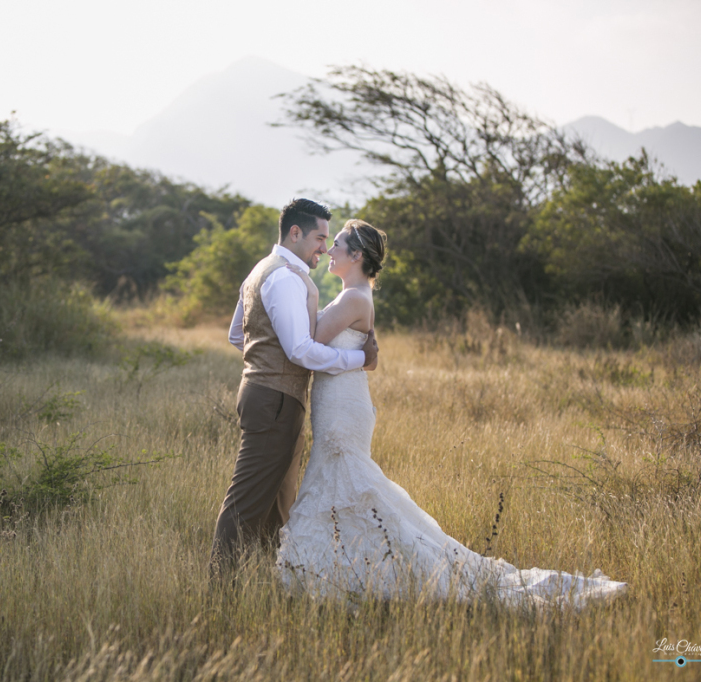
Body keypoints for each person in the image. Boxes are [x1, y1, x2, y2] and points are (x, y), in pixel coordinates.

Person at [275, 219, 629, 608]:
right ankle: (350, 565)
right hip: (341, 398)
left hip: (343, 405)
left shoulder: (353, 299)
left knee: (348, 484)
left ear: (356, 255)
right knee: (341, 485)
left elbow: (306, 340)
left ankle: (373, 569)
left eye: (337, 243)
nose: (328, 250)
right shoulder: (351, 296)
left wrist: (301, 286)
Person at [210, 199, 379, 577]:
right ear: (296, 232)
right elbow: (301, 349)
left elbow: (238, 334)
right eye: (320, 237)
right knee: (248, 499)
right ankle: (221, 589)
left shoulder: (261, 269)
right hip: (274, 400)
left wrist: (262, 363)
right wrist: (358, 360)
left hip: (266, 394)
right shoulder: (287, 277)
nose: (324, 247)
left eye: (329, 240)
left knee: (277, 500)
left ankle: (280, 579)